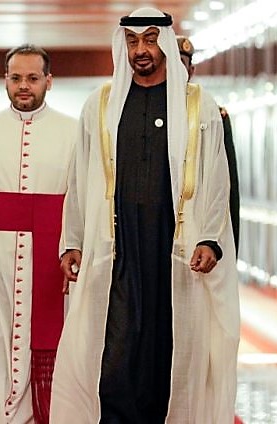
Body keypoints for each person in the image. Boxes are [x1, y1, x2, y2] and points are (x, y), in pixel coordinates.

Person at [50, 7, 240, 424]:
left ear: (166, 45)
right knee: (115, 352)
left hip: (175, 251)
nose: (141, 50)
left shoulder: (197, 106)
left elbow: (217, 180)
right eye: (133, 41)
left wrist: (210, 238)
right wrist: (72, 240)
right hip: (117, 251)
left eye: (151, 40)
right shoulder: (100, 105)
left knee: (167, 352)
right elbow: (80, 178)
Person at [0, 44, 77, 423]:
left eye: (33, 78)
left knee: (53, 347)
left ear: (49, 82)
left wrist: (75, 248)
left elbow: (80, 202)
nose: (24, 86)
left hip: (52, 260)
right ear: (5, 80)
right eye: (16, 78)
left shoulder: (74, 132)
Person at [177, 34, 240, 256]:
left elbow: (227, 183)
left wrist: (226, 247)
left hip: (201, 225)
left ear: (191, 72)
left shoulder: (212, 113)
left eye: (181, 65)